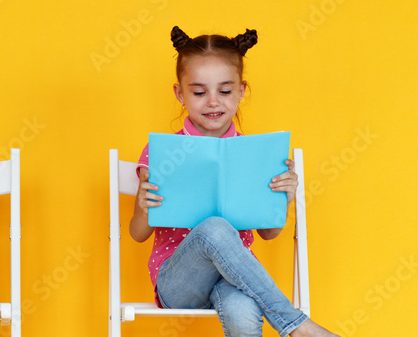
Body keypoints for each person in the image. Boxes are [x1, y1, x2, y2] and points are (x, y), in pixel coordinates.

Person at [130, 26, 339, 337]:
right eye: (199, 92)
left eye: (224, 92)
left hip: (236, 278)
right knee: (214, 227)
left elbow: (268, 233)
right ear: (180, 94)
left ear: (241, 91)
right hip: (179, 281)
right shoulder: (163, 153)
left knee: (244, 313)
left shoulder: (258, 155)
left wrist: (283, 197)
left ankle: (293, 326)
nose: (213, 102)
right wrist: (145, 208)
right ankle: (296, 326)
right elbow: (137, 233)